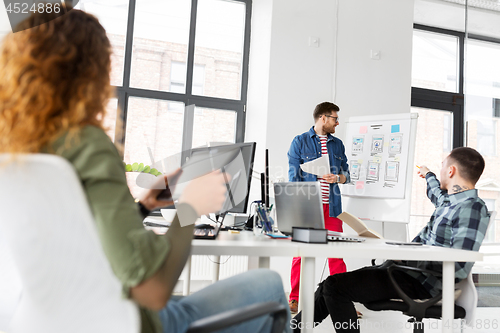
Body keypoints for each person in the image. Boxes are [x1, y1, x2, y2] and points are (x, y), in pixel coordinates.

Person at [0, 8, 291, 333]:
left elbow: (76, 238)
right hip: (122, 319)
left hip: (49, 319)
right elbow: (152, 290)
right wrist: (190, 207)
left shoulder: (16, 150)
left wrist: (144, 206)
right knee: (269, 284)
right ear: (88, 75)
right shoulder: (86, 144)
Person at [292, 147, 490, 333]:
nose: (440, 171)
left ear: (452, 170)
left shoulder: (472, 208)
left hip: (420, 280)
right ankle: (290, 329)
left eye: (442, 166)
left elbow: (460, 263)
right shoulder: (449, 200)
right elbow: (435, 192)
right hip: (403, 270)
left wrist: (406, 256)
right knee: (330, 283)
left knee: (336, 288)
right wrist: (428, 174)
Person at [287, 102, 351, 313]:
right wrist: (312, 175)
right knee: (301, 254)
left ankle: (342, 302)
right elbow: (293, 177)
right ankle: (295, 298)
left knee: (336, 255)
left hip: (332, 207)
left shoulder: (338, 144)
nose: (337, 122)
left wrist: (338, 178)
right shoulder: (300, 141)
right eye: (334, 118)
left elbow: (347, 174)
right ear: (323, 118)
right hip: (308, 207)